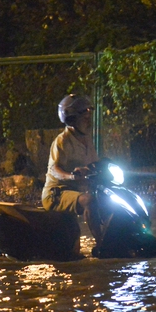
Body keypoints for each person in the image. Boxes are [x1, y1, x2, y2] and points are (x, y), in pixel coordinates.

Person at [42, 94, 103, 245]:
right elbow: (54, 168)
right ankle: (102, 244)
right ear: (72, 118)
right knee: (89, 200)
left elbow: (94, 164)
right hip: (57, 193)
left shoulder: (87, 139)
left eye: (89, 112)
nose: (89, 116)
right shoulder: (62, 141)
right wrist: (72, 176)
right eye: (84, 113)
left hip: (77, 190)